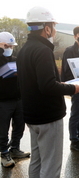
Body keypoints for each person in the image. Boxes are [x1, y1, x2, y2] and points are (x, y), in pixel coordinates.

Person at [17, 6, 79, 178]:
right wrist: (72, 88)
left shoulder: (24, 50)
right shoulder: (43, 50)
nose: (54, 30)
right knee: (51, 166)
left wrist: (59, 83)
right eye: (53, 26)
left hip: (32, 116)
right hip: (48, 117)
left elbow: (34, 82)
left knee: (37, 162)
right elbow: (47, 86)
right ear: (46, 28)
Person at [0, 32, 30, 168]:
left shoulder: (15, 58)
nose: (9, 48)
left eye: (11, 46)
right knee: (3, 127)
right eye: (7, 45)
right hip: (3, 100)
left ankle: (15, 148)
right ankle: (4, 152)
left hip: (19, 99)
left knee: (19, 125)